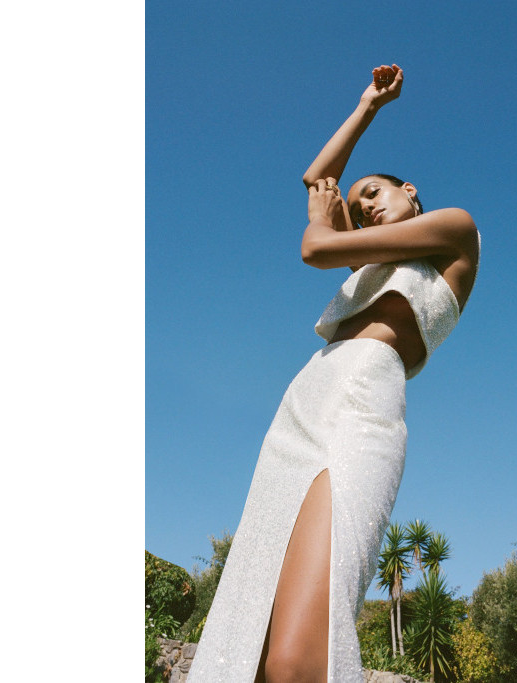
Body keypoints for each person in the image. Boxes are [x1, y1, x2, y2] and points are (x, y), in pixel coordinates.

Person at [187, 64, 480, 683]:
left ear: (413, 191)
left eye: (374, 192)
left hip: (363, 404)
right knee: (259, 650)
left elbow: (315, 247)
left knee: (300, 656)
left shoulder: (455, 233)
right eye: (356, 203)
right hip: (303, 402)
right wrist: (368, 105)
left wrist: (325, 219)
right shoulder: (369, 265)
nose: (363, 205)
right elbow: (319, 179)